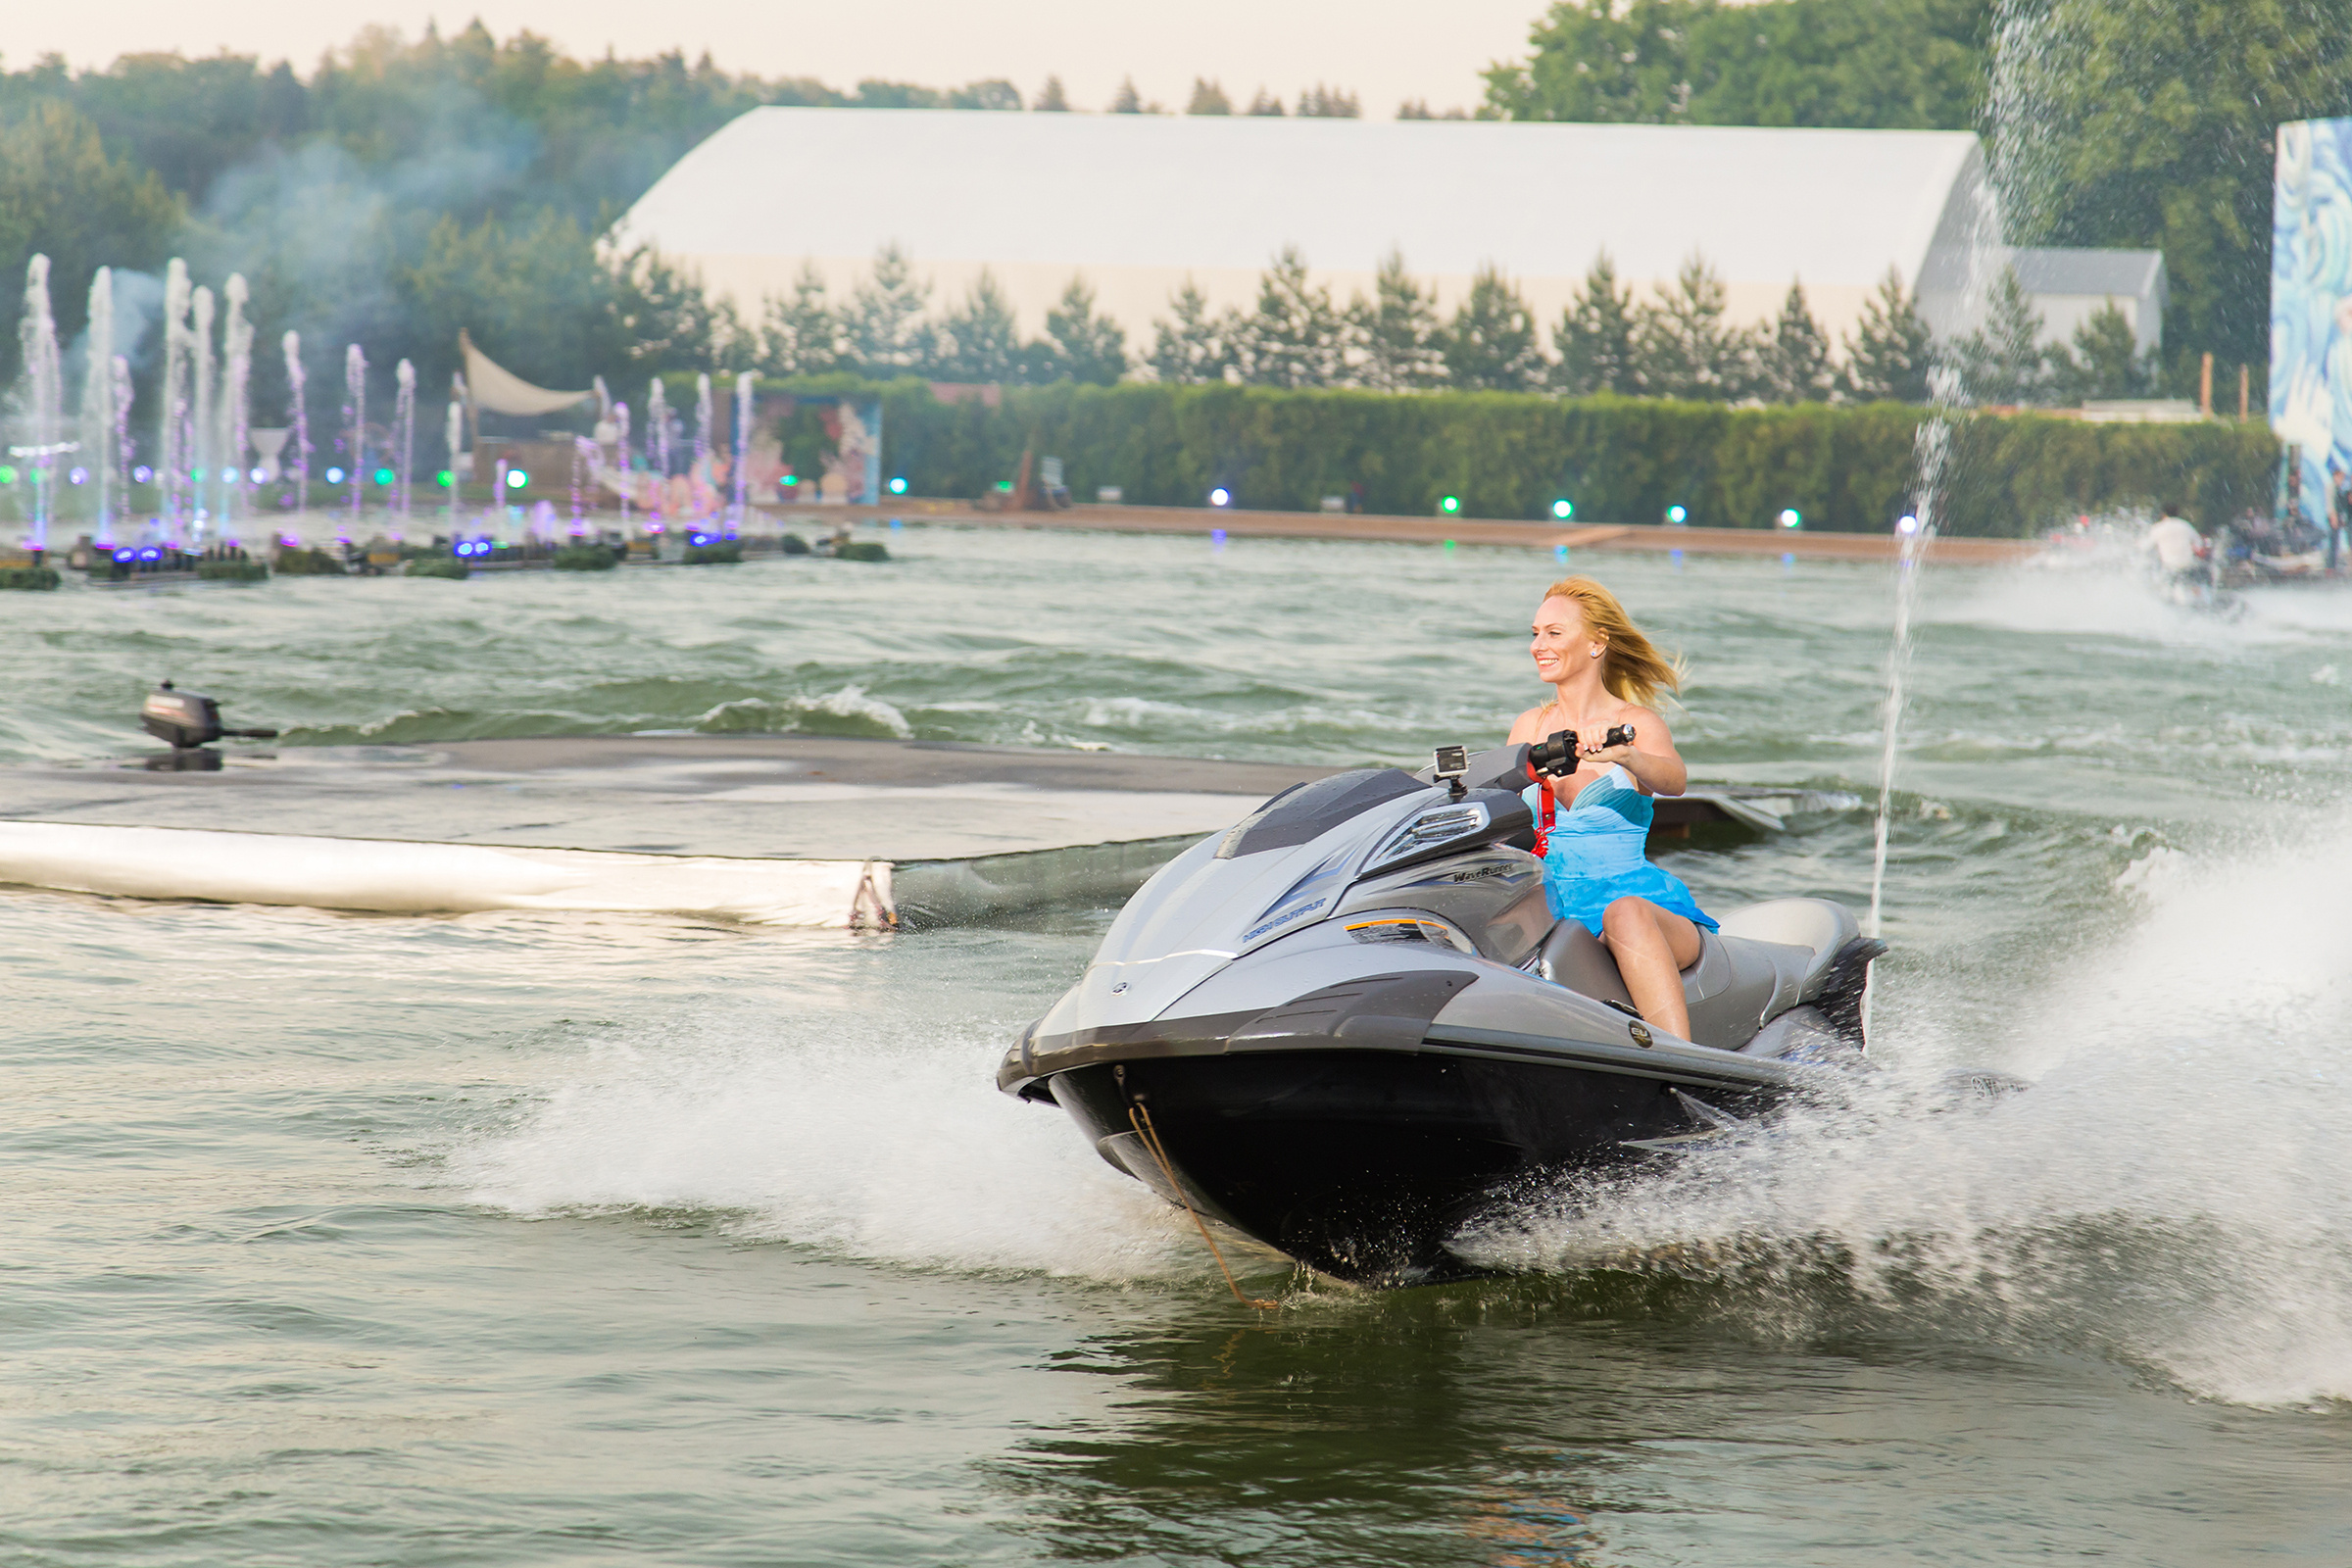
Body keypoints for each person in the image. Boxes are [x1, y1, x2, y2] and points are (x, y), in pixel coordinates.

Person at [1506, 576, 1715, 1040]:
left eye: (1554, 633)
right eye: (1535, 633)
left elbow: (1674, 781)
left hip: (1638, 906)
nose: (1538, 645)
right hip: (1554, 905)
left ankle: (1679, 1063)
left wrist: (1628, 756)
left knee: (1623, 911)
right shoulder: (1528, 726)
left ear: (1597, 643)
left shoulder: (1635, 724)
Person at [2142, 504, 2204, 582]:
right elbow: (2199, 544)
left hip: (2169, 567)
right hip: (2187, 566)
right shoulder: (2186, 526)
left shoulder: (2159, 528)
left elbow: (2145, 546)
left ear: (2163, 514)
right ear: (2178, 513)